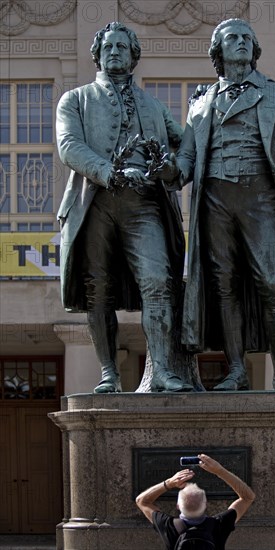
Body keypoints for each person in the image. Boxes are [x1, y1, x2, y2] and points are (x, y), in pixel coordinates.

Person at [160, 18, 275, 392]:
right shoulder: (201, 102)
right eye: (233, 38)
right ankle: (236, 371)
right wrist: (165, 168)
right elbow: (186, 164)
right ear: (219, 51)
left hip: (262, 197)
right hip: (214, 199)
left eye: (247, 38)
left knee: (273, 281)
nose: (242, 43)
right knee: (223, 284)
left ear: (255, 49)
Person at [56, 21, 195, 393]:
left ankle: (162, 371)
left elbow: (185, 151)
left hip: (144, 205)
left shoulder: (154, 107)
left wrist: (170, 169)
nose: (115, 52)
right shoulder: (76, 99)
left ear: (134, 57)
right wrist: (108, 171)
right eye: (109, 47)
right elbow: (69, 145)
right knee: (97, 290)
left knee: (158, 283)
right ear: (97, 55)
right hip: (95, 203)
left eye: (122, 47)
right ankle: (109, 374)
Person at [135, 453, 255, 550]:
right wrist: (219, 470)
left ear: (178, 505)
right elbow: (248, 497)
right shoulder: (219, 524)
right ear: (205, 504)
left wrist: (169, 483)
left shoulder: (169, 526)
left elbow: (142, 501)